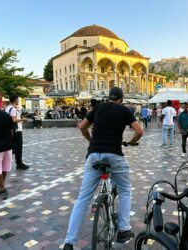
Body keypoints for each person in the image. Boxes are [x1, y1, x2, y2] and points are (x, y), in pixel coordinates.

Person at [63, 87, 143, 250]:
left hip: (94, 155)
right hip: (114, 154)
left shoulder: (98, 108)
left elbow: (82, 126)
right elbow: (139, 131)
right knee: (125, 190)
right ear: (121, 99)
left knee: (83, 198)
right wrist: (132, 142)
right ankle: (123, 229)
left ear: (108, 98)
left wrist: (91, 140)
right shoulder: (124, 110)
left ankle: (69, 242)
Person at [5, 95, 29, 170]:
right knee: (18, 147)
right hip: (17, 130)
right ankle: (19, 163)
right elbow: (13, 120)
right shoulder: (13, 109)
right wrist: (23, 120)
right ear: (15, 100)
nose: (18, 101)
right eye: (18, 100)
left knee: (11, 147)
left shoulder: (7, 108)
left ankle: (6, 163)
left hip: (10, 130)